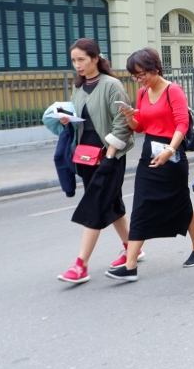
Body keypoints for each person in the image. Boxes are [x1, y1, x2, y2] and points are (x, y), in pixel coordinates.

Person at [107, 48, 194, 282]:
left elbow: (182, 124)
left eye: (141, 74)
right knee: (141, 205)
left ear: (155, 68)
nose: (139, 79)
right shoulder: (142, 93)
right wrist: (129, 116)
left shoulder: (174, 90)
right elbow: (140, 127)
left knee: (181, 203)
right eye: (135, 76)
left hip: (171, 154)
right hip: (148, 153)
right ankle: (130, 265)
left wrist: (170, 150)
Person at [56, 39, 136, 284]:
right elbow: (81, 117)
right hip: (84, 155)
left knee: (94, 205)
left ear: (95, 58)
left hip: (108, 155)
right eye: (73, 60)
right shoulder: (78, 87)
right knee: (111, 204)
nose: (77, 65)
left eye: (81, 59)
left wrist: (111, 155)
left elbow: (122, 122)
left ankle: (81, 265)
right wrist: (66, 120)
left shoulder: (112, 85)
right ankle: (132, 248)